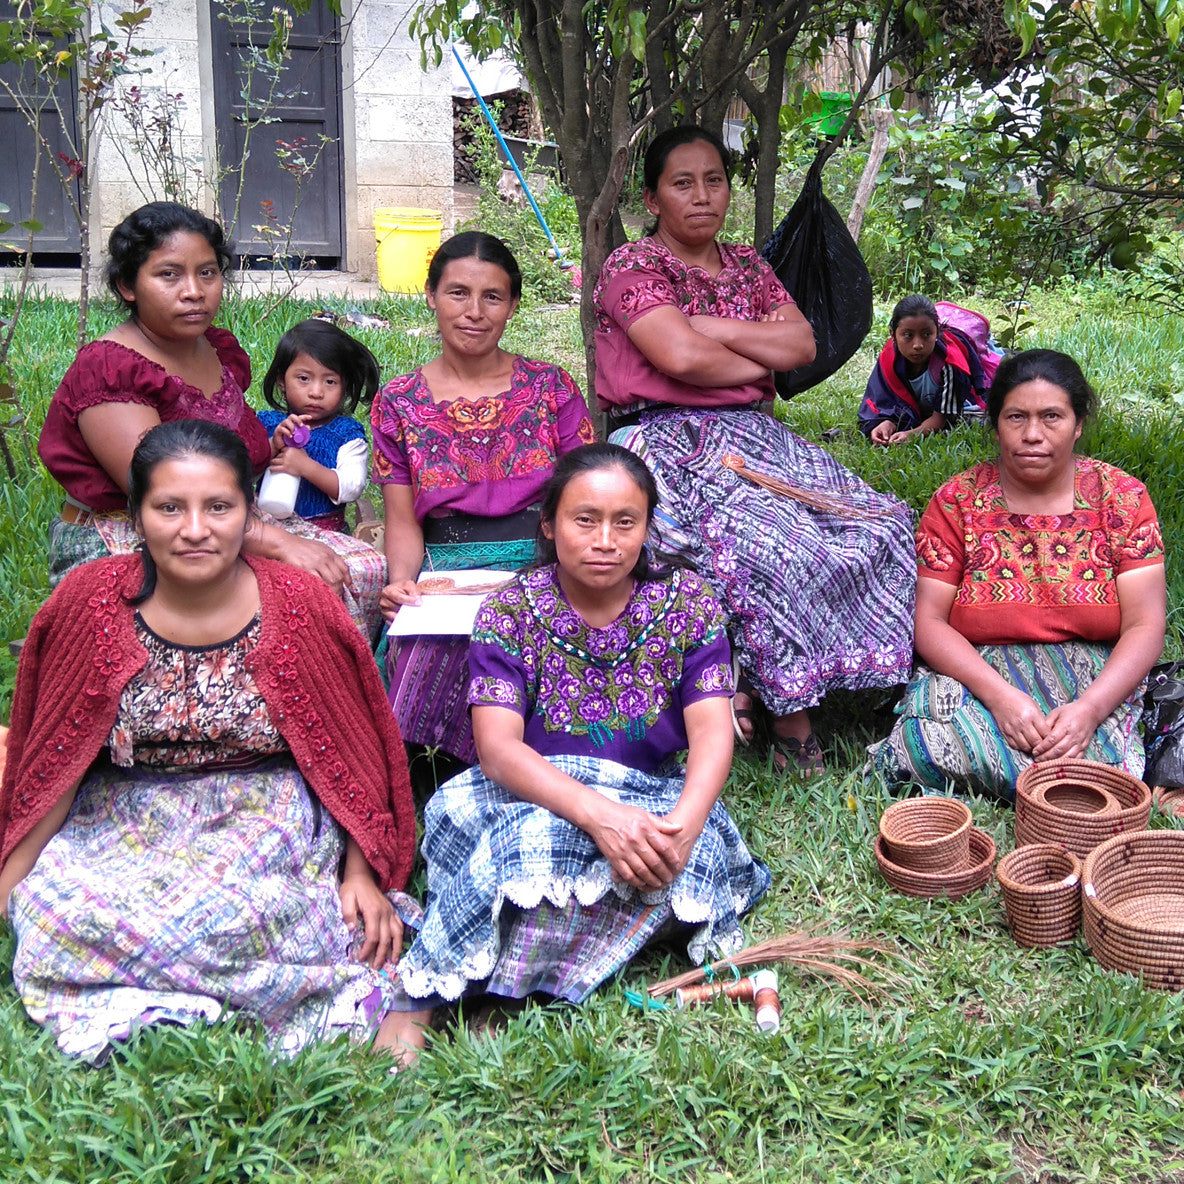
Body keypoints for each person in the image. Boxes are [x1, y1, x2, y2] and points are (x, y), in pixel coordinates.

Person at [0, 420, 419, 1063]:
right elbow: (56, 758)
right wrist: (13, 880)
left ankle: (157, 994)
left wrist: (360, 873)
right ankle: (180, 995)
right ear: (138, 518)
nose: (195, 528)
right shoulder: (88, 602)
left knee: (246, 914)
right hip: (125, 810)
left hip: (263, 809)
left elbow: (353, 749)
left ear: (248, 515)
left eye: (218, 507)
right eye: (169, 507)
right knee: (55, 908)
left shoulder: (300, 603)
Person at [383, 443, 770, 1062]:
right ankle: (445, 987)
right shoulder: (511, 610)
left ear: (648, 528)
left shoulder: (688, 605)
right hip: (537, 792)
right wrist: (601, 819)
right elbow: (499, 751)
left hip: (655, 796)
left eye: (626, 522)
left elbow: (712, 734)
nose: (606, 540)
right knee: (503, 844)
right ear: (549, 525)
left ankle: (500, 977)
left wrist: (684, 830)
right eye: (584, 519)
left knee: (685, 869)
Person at [593, 125, 916, 775]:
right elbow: (676, 356)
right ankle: (792, 722)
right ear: (653, 199)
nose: (702, 195)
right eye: (682, 183)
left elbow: (801, 347)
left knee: (882, 521)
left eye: (714, 180)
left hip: (751, 435)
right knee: (764, 542)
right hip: (661, 435)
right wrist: (745, 358)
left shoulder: (747, 265)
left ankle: (871, 682)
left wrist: (705, 329)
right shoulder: (634, 266)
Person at [36, 201, 386, 638]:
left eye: (207, 272)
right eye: (169, 274)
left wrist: (273, 449)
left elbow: (234, 453)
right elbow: (166, 492)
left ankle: (340, 700)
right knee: (296, 590)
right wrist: (282, 543)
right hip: (132, 533)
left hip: (226, 519)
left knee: (364, 567)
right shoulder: (109, 368)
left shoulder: (215, 350)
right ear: (128, 285)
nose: (194, 291)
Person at [873, 350, 1166, 799]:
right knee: (922, 749)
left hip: (1092, 674)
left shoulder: (1122, 499)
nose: (1033, 435)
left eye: (1052, 417)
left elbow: (1145, 625)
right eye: (1016, 417)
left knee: (1110, 771)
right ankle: (1046, 783)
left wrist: (1088, 711)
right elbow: (929, 622)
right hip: (979, 670)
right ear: (994, 425)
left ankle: (1057, 775)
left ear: (1079, 423)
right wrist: (1000, 698)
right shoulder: (957, 501)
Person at [372, 231, 595, 766]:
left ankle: (545, 761)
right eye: (457, 293)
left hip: (544, 559)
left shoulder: (551, 388)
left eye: (492, 296)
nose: (474, 312)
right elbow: (402, 521)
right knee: (426, 651)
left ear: (513, 305)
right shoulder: (398, 401)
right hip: (447, 571)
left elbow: (587, 494)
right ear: (430, 296)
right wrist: (402, 583)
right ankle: (452, 766)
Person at [257, 318, 381, 533]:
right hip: (267, 531)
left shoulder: (346, 435)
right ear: (281, 381)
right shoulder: (268, 425)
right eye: (304, 378)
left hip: (325, 533)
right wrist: (271, 446)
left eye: (330, 382)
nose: (316, 392)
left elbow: (351, 488)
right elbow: (240, 471)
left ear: (345, 388)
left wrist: (306, 466)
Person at [858, 294, 989, 446]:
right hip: (923, 407)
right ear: (893, 334)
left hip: (955, 407)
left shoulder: (950, 364)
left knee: (974, 423)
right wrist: (886, 422)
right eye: (908, 335)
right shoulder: (889, 359)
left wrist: (912, 434)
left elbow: (942, 417)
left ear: (937, 332)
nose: (918, 345)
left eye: (926, 335)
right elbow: (882, 399)